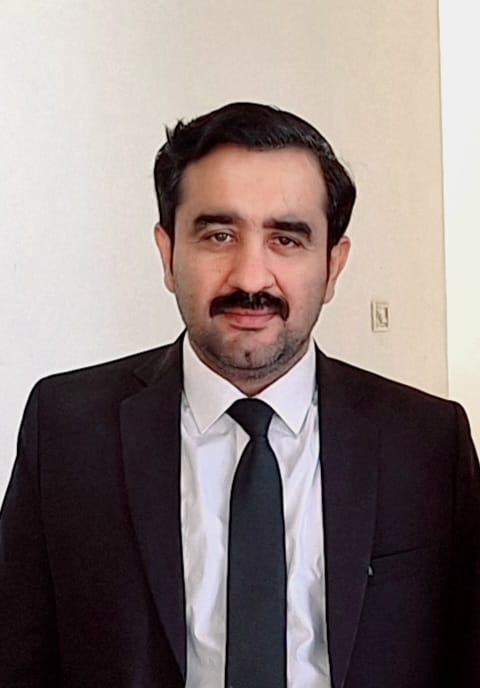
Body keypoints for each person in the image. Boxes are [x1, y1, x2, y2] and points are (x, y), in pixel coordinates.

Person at [1, 102, 479, 688]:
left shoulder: (427, 443)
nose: (251, 278)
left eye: (287, 239)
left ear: (333, 266)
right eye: (219, 235)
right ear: (168, 255)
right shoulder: (68, 428)